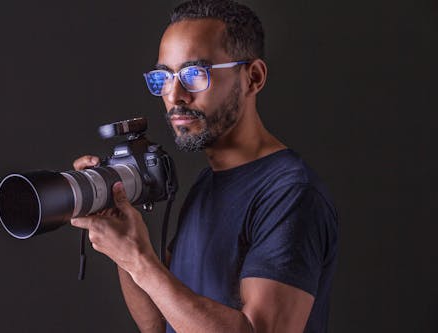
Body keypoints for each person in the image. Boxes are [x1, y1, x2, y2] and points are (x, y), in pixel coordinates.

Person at [71, 1, 338, 332]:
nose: (175, 94)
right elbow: (160, 323)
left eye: (195, 74)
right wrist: (124, 252)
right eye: (163, 77)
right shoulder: (206, 184)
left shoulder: (290, 194)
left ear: (253, 77)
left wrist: (140, 261)